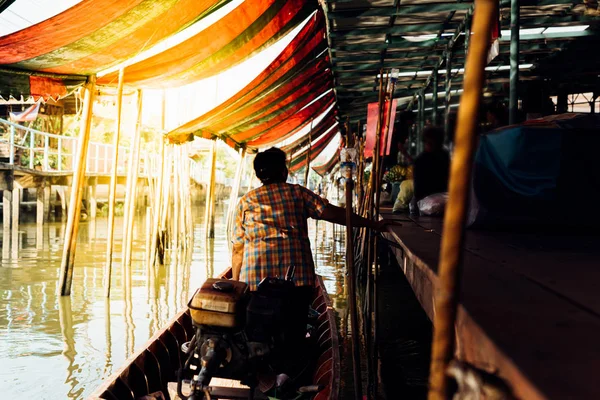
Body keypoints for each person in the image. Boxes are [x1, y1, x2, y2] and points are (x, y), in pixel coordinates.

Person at [231, 147, 395, 355]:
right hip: (296, 281)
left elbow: (238, 249)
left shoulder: (246, 202)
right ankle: (286, 372)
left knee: (257, 338)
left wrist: (237, 284)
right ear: (284, 172)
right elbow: (334, 214)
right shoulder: (297, 193)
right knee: (292, 337)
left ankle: (264, 369)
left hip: (256, 282)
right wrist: (371, 224)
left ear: (258, 175)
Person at [412, 126, 450, 211]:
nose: (428, 144)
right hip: (439, 200)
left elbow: (418, 188)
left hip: (427, 202)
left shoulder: (421, 160)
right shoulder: (444, 156)